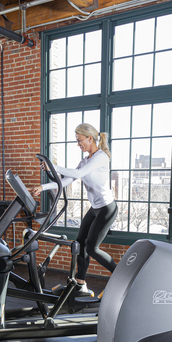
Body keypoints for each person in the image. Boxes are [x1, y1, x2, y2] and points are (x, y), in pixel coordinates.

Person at [30, 123, 118, 297]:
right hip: (95, 208)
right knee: (80, 243)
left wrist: (53, 167)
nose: (79, 144)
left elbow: (78, 174)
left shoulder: (100, 157)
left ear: (90, 138)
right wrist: (43, 187)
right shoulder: (85, 160)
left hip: (107, 209)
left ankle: (122, 276)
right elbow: (67, 180)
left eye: (80, 140)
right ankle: (80, 284)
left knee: (92, 248)